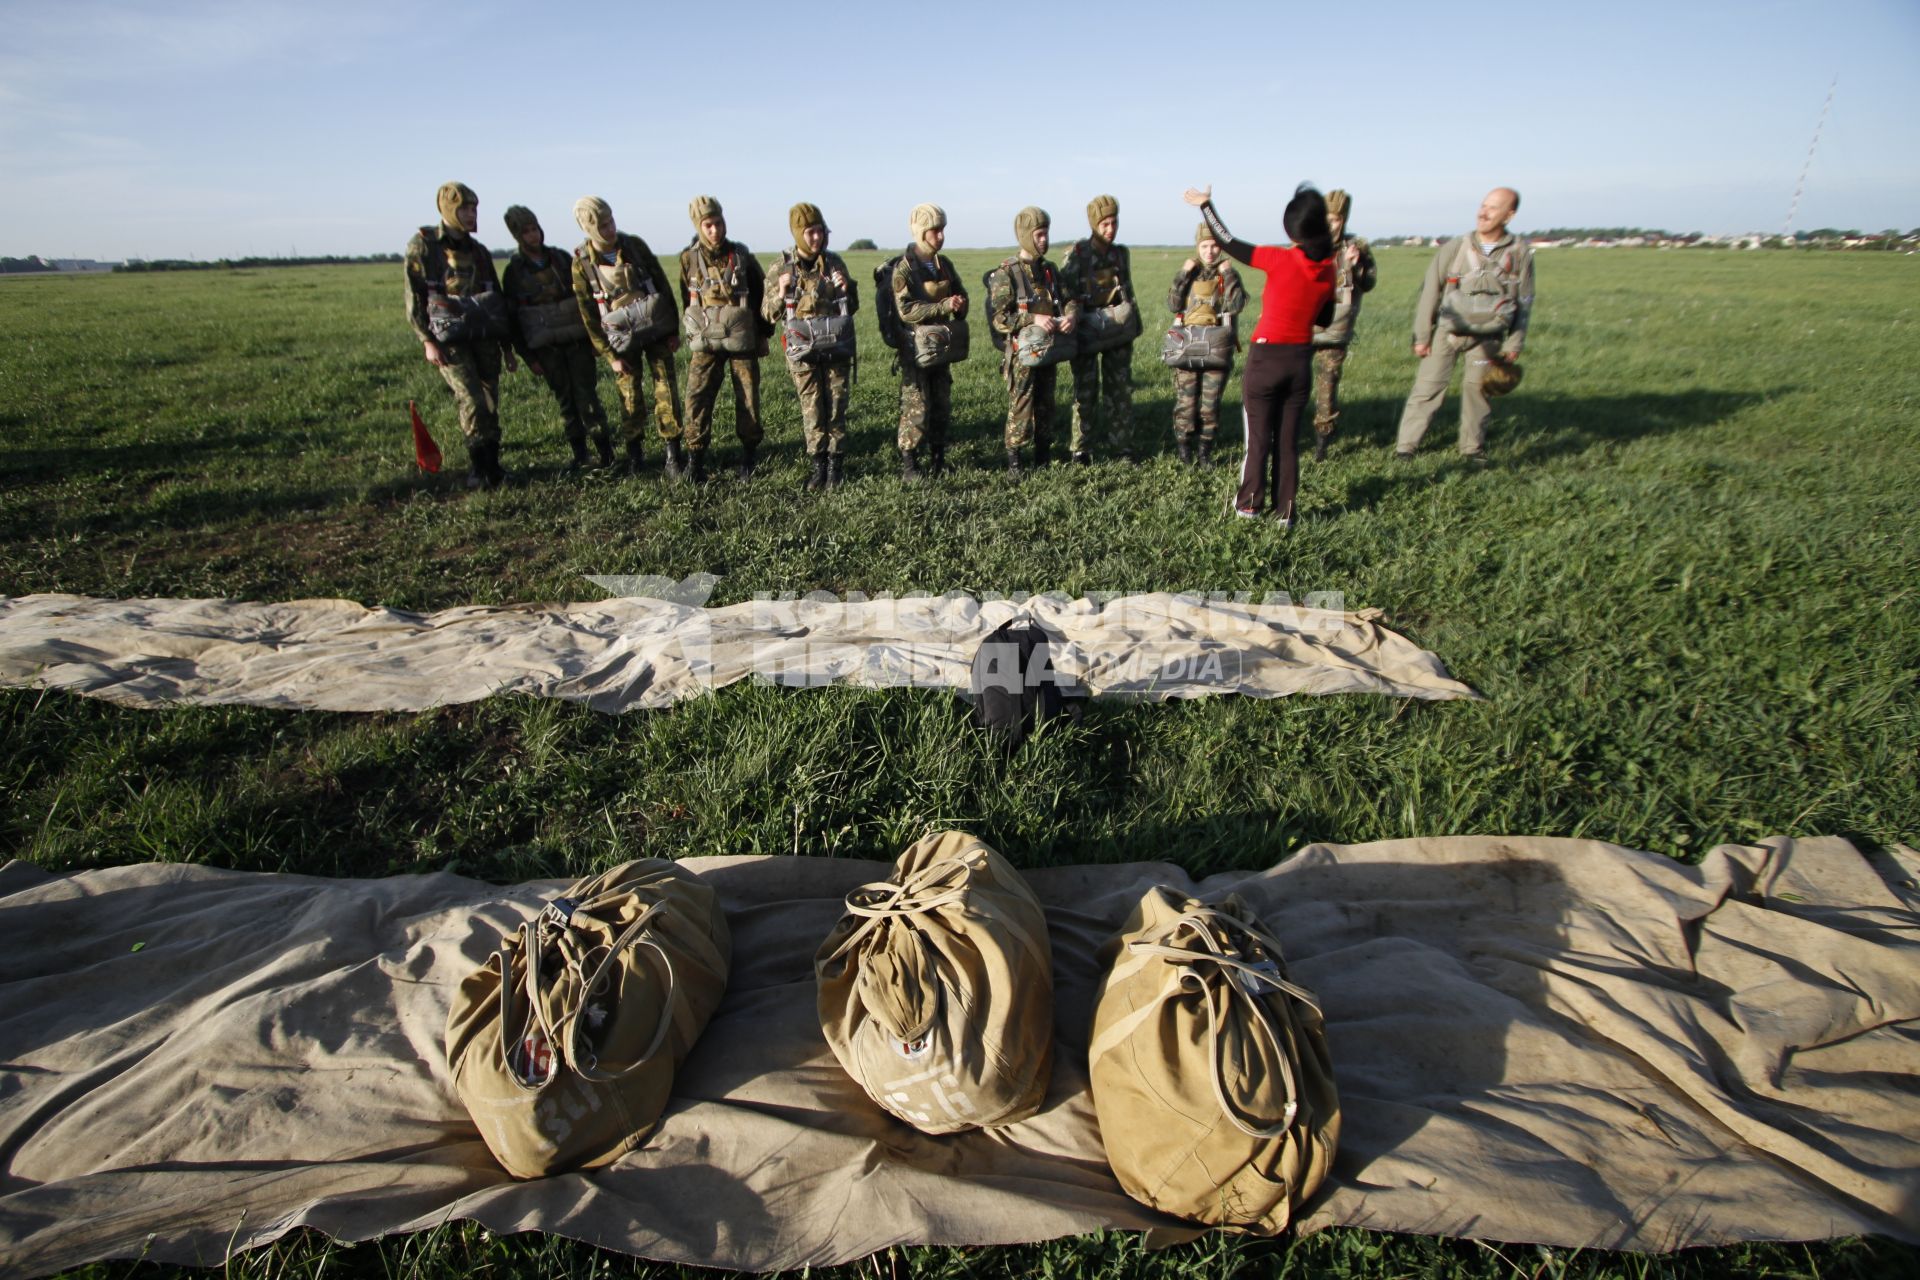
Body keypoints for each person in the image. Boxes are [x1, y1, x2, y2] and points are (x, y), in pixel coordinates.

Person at [1182, 183, 1336, 527]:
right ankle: (1286, 513)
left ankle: (1249, 506)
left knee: (1258, 439)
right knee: (1288, 442)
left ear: (1291, 229)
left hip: (1266, 359)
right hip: (1299, 362)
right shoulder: (1328, 269)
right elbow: (1324, 319)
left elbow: (1227, 241)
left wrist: (1207, 206)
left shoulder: (1279, 259)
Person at [1395, 187, 1534, 462]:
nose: (1484, 212)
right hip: (1448, 331)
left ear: (1510, 214)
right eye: (1483, 205)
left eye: (1493, 208)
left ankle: (1472, 448)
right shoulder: (1456, 247)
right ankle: (1406, 448)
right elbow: (1430, 291)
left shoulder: (1520, 253)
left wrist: (1515, 341)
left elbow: (1525, 299)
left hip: (1490, 336)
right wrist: (1422, 335)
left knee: (1478, 392)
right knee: (1428, 387)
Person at [404, 181, 512, 489]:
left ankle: (494, 466)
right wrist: (427, 340)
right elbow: (415, 295)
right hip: (449, 338)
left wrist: (506, 346)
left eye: (474, 208)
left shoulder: (478, 252)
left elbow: (496, 297)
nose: (470, 214)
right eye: (464, 208)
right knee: (471, 399)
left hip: (485, 335)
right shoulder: (424, 245)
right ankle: (479, 468)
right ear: (448, 209)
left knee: (490, 399)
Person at [569, 196, 682, 476]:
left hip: (655, 328)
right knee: (630, 395)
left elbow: (662, 285)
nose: (610, 229)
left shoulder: (634, 246)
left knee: (666, 389)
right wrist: (610, 356)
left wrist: (673, 329)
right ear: (589, 229)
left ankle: (673, 457)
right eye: (602, 226)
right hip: (620, 338)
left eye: (610, 222)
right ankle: (636, 457)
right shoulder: (582, 263)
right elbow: (588, 315)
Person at [500, 205, 613, 472]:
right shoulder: (515, 271)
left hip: (577, 342)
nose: (533, 236)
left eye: (535, 229)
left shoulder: (562, 259)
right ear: (518, 236)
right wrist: (528, 357)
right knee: (566, 401)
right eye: (526, 232)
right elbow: (513, 318)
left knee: (588, 398)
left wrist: (596, 340)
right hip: (547, 349)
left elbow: (586, 301)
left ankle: (606, 454)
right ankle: (580, 455)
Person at [764, 203, 860, 491]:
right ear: (797, 233)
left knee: (836, 407)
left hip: (835, 348)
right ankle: (818, 467)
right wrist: (781, 293)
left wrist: (847, 290)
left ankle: (835, 467)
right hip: (803, 353)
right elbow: (767, 313)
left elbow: (851, 308)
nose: (816, 238)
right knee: (812, 410)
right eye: (810, 232)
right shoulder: (781, 267)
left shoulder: (834, 263)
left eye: (820, 231)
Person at [679, 196, 770, 482]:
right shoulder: (689, 259)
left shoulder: (741, 255)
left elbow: (761, 293)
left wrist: (764, 333)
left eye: (718, 223)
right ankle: (695, 460)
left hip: (742, 339)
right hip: (705, 341)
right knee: (697, 397)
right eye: (708, 225)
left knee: (748, 397)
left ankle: (748, 457)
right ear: (699, 226)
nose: (714, 230)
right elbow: (686, 300)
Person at [988, 207, 1081, 476]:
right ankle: (1015, 463)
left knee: (1046, 405)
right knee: (1021, 406)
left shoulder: (1050, 271)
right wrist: (1033, 319)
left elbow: (1069, 299)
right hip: (1021, 355)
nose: (1044, 239)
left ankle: (1042, 456)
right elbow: (1000, 318)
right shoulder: (1007, 272)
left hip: (1048, 351)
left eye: (1046, 234)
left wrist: (1071, 316)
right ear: (1026, 236)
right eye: (1039, 234)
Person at [891, 203, 969, 481]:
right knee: (916, 405)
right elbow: (907, 310)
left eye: (943, 230)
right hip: (916, 349)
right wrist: (943, 305)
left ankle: (938, 460)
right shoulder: (904, 269)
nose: (941, 236)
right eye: (935, 230)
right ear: (922, 232)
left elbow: (961, 293)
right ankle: (910, 466)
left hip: (942, 346)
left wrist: (959, 305)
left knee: (941, 404)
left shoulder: (943, 264)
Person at [1061, 194, 1137, 463]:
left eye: (1114, 222)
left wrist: (1132, 324)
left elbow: (1127, 290)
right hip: (1086, 330)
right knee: (1085, 391)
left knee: (1120, 390)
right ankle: (1081, 449)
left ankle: (1122, 447)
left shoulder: (1120, 254)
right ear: (1094, 224)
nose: (1110, 228)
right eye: (1104, 223)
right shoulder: (1078, 254)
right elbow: (1065, 292)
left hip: (1117, 328)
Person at [1165, 221, 1247, 467]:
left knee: (1210, 406)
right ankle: (1184, 450)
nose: (1210, 251)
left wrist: (1229, 274)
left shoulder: (1227, 273)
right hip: (1187, 347)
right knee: (1186, 403)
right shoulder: (1190, 273)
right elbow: (1173, 304)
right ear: (1197, 246)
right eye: (1204, 246)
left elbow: (1237, 304)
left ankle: (1204, 452)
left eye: (1214, 246)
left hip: (1217, 348)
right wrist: (1183, 273)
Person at [1309, 189, 1377, 462]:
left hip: (1335, 332)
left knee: (1327, 387)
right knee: (1292, 386)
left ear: (1343, 220)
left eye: (1335, 220)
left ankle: (1322, 442)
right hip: (1303, 329)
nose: (1330, 225)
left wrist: (1354, 265)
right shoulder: (1307, 244)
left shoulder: (1356, 248)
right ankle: (1287, 433)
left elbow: (1368, 284)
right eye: (1325, 219)